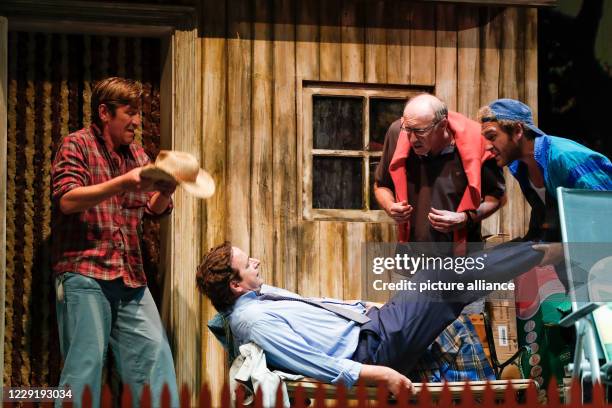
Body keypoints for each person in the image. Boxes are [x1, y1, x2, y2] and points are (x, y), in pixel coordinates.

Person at [197, 241, 549, 397]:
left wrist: (364, 307)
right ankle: (536, 254)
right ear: (235, 284)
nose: (256, 262)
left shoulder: (255, 297)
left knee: (431, 276)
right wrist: (381, 374)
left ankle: (523, 254)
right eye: (249, 264)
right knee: (442, 282)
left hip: (371, 324)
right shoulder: (255, 322)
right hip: (373, 350)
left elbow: (317, 307)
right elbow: (314, 363)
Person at [51, 77, 179, 407]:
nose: (137, 121)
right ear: (105, 113)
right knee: (84, 369)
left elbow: (152, 209)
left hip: (130, 278)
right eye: (130, 112)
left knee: (156, 360)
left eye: (139, 113)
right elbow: (67, 199)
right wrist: (122, 182)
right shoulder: (76, 145)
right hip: (85, 273)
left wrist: (164, 191)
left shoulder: (137, 154)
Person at [374, 93, 506, 381]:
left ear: (442, 125)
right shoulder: (398, 133)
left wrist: (465, 217)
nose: (410, 137)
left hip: (461, 266)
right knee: (408, 346)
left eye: (418, 131)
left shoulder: (474, 142)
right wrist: (390, 207)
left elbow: (496, 197)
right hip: (410, 265)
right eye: (407, 129)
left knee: (467, 348)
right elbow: (380, 185)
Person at [477, 98, 612, 245]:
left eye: (492, 137)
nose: (487, 146)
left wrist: (564, 250)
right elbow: (546, 222)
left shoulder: (565, 157)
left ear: (517, 130)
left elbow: (606, 216)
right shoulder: (519, 167)